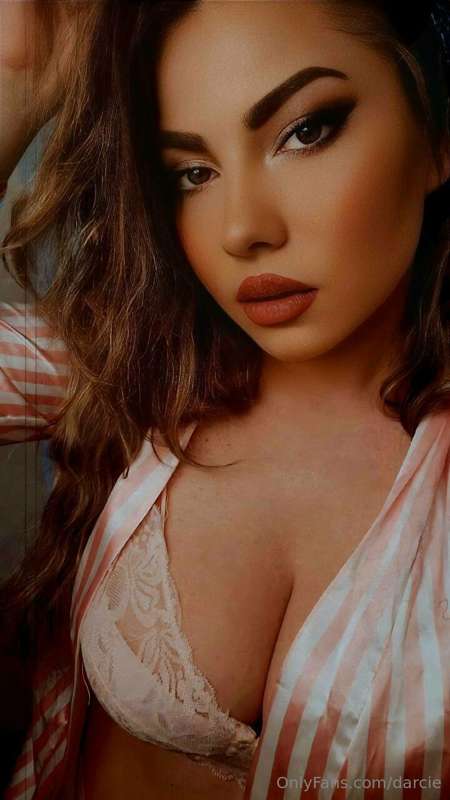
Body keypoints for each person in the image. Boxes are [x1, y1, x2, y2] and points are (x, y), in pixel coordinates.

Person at [0, 1, 449, 798]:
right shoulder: (136, 369)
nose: (242, 229)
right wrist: (16, 94)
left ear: (436, 138)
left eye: (304, 132)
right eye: (192, 173)